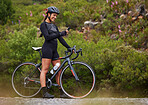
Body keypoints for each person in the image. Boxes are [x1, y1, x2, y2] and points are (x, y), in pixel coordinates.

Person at [40, 6, 71, 98]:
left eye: (56, 16)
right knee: (44, 70)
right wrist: (60, 33)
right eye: (54, 15)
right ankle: (44, 92)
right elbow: (47, 37)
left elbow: (60, 39)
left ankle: (62, 93)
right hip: (47, 49)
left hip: (54, 50)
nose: (55, 17)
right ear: (48, 14)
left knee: (59, 70)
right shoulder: (43, 25)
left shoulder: (54, 26)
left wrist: (69, 48)